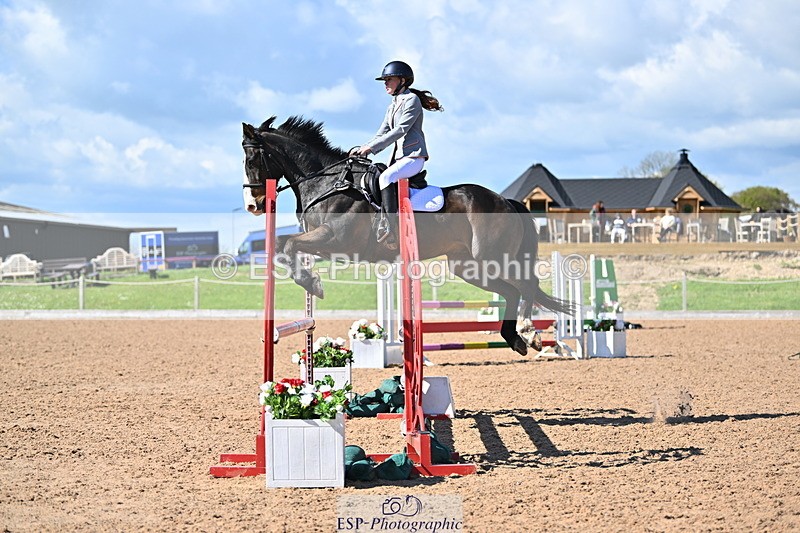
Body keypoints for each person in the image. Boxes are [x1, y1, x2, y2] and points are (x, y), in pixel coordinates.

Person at [352, 61, 443, 248]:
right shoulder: (392, 105)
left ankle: (389, 225)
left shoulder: (412, 100)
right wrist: (364, 147)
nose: (386, 84)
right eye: (385, 80)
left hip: (414, 157)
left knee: (386, 177)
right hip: (400, 158)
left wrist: (371, 149)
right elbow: (382, 132)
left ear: (402, 80)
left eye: (389, 80)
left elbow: (400, 130)